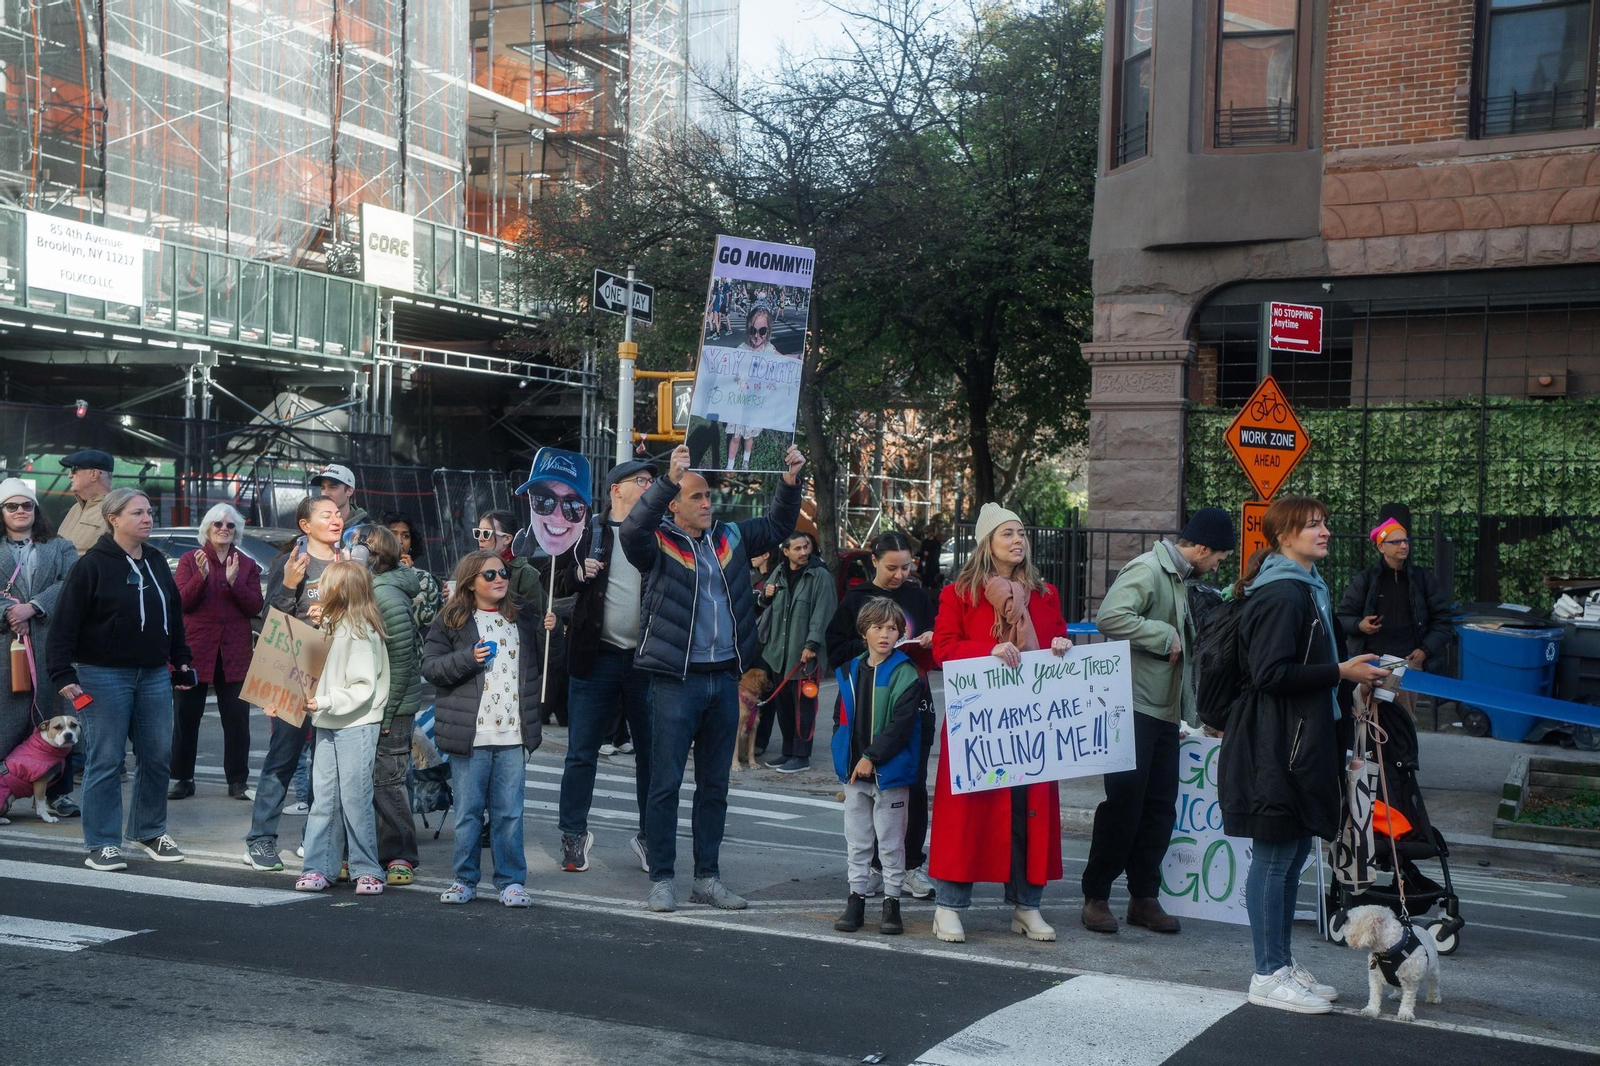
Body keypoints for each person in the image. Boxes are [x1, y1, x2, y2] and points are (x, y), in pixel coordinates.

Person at [1220, 495, 1390, 1014]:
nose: (1324, 532)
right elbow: (1270, 673)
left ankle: (1280, 962)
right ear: (1283, 536)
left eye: (1324, 523)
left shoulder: (1308, 587)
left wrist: (1354, 681)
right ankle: (1267, 973)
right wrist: (1341, 672)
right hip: (1274, 743)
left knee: (1291, 856)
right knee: (1275, 858)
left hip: (1296, 740)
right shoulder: (1283, 594)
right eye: (1312, 525)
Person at [621, 441, 805, 913]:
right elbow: (632, 528)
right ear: (674, 503)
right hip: (674, 682)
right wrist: (667, 479)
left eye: (708, 496)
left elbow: (779, 526)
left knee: (714, 788)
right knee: (664, 785)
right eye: (697, 497)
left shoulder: (730, 538)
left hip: (724, 680)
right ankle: (662, 879)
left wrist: (790, 481)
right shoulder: (657, 541)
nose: (707, 504)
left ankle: (707, 878)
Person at [1081, 507, 1235, 936]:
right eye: (1219, 557)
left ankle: (1143, 897)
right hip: (1133, 706)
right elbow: (1110, 616)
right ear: (1202, 548)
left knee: (1159, 809)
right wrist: (1163, 635)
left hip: (1164, 712)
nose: (1217, 565)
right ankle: (1096, 896)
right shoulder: (1149, 569)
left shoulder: (1178, 578)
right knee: (1123, 806)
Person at [929, 502, 1072, 944]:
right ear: (986, 544)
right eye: (1007, 533)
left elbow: (1057, 637)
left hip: (1032, 723)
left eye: (1021, 533)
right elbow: (943, 649)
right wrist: (986, 650)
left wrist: (1061, 645)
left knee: (1029, 812)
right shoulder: (959, 594)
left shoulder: (1045, 594)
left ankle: (1027, 906)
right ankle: (948, 907)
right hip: (979, 724)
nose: (1017, 540)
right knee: (968, 814)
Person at [47, 487, 194, 871]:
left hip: (153, 674)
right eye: (137, 513)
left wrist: (181, 659)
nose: (147, 519)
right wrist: (62, 672)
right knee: (107, 759)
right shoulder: (92, 565)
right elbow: (64, 622)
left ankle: (149, 831)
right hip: (102, 674)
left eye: (149, 512)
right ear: (113, 518)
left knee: (158, 755)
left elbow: (172, 612)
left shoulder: (156, 560)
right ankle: (102, 843)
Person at [423, 550, 550, 907]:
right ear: (470, 583)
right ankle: (465, 880)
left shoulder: (523, 616)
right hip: (471, 735)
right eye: (490, 575)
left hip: (513, 733)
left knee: (510, 812)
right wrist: (469, 658)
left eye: (503, 572)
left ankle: (511, 881)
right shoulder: (452, 620)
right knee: (468, 812)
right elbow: (430, 668)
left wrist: (552, 633)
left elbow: (547, 663)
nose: (500, 579)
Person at [554, 459, 658, 874]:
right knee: (581, 752)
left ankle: (651, 836)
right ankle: (572, 835)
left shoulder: (658, 531)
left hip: (647, 661)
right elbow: (554, 582)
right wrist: (578, 572)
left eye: (651, 481)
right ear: (616, 489)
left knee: (651, 754)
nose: (649, 486)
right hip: (595, 656)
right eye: (641, 480)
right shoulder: (585, 531)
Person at [826, 530, 939, 899]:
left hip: (914, 703)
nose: (899, 575)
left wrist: (930, 640)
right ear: (873, 561)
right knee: (866, 789)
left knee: (913, 785)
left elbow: (941, 644)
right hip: (865, 706)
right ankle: (874, 867)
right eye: (892, 567)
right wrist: (876, 647)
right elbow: (835, 650)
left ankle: (910, 865)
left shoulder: (918, 597)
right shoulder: (855, 599)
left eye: (906, 567)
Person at [244, 495, 347, 872]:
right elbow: (270, 618)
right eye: (326, 515)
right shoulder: (291, 561)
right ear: (305, 525)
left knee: (328, 761)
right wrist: (289, 585)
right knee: (283, 757)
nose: (335, 520)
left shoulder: (348, 560)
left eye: (338, 513)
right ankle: (260, 839)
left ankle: (314, 840)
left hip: (337, 670)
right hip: (295, 666)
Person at [831, 597, 931, 936]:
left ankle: (892, 903)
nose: (885, 634)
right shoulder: (850, 670)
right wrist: (842, 757)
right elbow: (840, 718)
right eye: (878, 627)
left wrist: (870, 757)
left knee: (890, 844)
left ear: (901, 633)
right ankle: (856, 900)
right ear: (864, 632)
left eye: (892, 628)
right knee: (858, 841)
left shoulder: (905, 672)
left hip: (890, 773)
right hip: (854, 774)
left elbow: (901, 725)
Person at [293, 561, 390, 895]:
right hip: (334, 718)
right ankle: (322, 867)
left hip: (354, 722)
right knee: (327, 797)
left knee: (352, 798)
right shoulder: (339, 625)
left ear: (339, 591)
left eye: (325, 584)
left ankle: (365, 869)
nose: (318, 589)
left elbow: (363, 688)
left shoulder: (358, 631)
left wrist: (322, 701)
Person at [168, 504, 264, 801]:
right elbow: (181, 603)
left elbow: (255, 606)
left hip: (234, 653)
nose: (224, 529)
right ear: (207, 528)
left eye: (230, 525)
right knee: (186, 717)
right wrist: (201, 577)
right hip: (195, 651)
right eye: (218, 524)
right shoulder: (189, 560)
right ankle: (183, 778)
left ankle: (237, 781)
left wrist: (235, 582)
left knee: (237, 721)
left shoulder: (246, 564)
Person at [0, 478, 80, 811]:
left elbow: (72, 582)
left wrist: (33, 607)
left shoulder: (60, 546)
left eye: (27, 505)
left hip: (52, 643)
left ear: (36, 509)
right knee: (6, 719)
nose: (20, 511)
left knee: (58, 715)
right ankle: (2, 792)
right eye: (12, 506)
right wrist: (10, 613)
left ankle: (58, 794)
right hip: (6, 646)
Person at [1336, 507, 1452, 718]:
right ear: (1381, 547)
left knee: (1402, 719)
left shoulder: (1422, 579)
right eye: (1396, 542)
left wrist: (1425, 650)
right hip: (1372, 661)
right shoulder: (1366, 579)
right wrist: (1360, 625)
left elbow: (1443, 620)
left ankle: (1401, 741)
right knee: (1367, 716)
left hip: (1408, 662)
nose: (1404, 546)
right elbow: (1342, 618)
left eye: (1406, 540)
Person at [364, 526, 424, 885]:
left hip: (393, 705)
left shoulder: (385, 594)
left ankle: (400, 853)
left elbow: (402, 662)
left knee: (388, 781)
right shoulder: (371, 588)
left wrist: (387, 715)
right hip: (376, 701)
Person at [756, 530, 836, 773]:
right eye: (798, 548)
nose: (803, 552)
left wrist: (812, 645)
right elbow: (763, 604)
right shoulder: (779, 573)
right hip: (778, 655)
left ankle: (801, 756)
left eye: (806, 547)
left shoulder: (819, 575)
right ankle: (788, 751)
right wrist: (765, 595)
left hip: (804, 656)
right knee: (784, 707)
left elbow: (824, 612)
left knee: (804, 708)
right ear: (786, 551)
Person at [473, 510, 545, 608]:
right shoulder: (473, 568)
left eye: (486, 533)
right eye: (478, 532)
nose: (480, 539)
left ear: (507, 539)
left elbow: (534, 614)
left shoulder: (526, 574)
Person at [57, 449, 114, 556]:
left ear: (94, 474)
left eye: (74, 469)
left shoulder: (116, 510)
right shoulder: (75, 508)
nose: (69, 475)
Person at [308, 463, 371, 560]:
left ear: (349, 490)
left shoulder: (368, 529)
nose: (325, 493)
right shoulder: (313, 525)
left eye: (332, 487)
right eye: (323, 488)